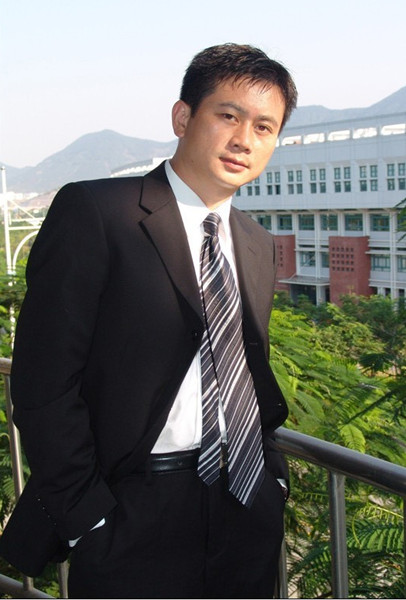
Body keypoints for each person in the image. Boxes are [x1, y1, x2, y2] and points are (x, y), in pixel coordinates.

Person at [0, 43, 297, 598]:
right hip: (131, 510)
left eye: (265, 127)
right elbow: (43, 382)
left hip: (245, 505)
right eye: (228, 116)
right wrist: (89, 517)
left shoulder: (257, 244)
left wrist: (273, 481)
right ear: (183, 117)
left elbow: (248, 369)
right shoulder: (98, 212)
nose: (244, 140)